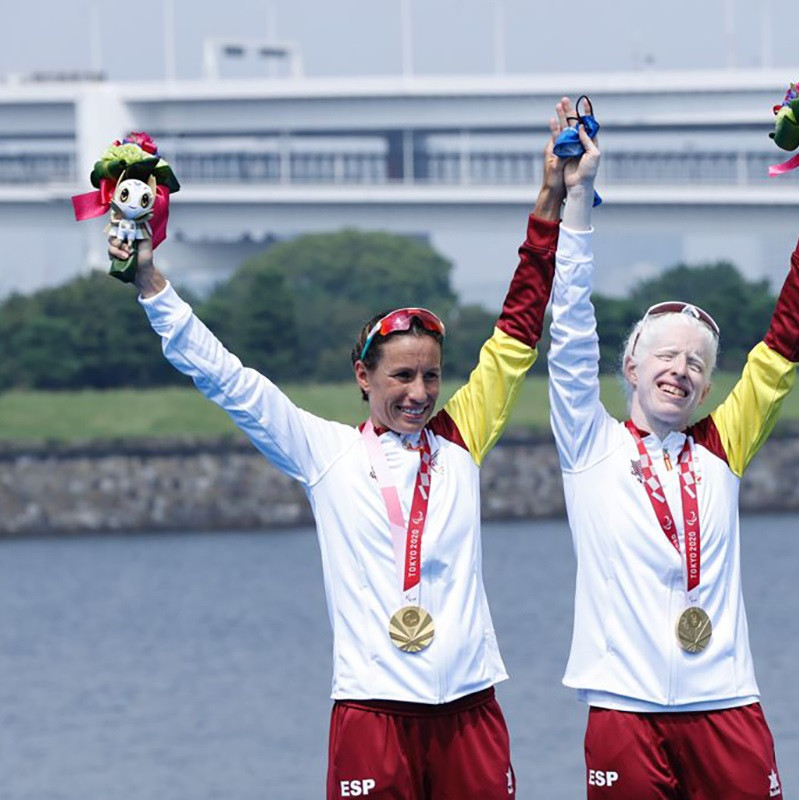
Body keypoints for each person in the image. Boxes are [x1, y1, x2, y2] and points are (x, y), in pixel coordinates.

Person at [108, 98, 582, 800]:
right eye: (401, 377)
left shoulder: (463, 435)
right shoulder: (323, 452)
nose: (420, 393)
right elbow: (226, 378)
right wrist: (151, 284)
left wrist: (551, 195)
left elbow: (517, 327)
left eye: (430, 376)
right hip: (371, 711)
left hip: (470, 709)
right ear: (364, 378)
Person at [547, 103, 799, 799]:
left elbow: (784, 343)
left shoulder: (724, 443)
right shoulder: (589, 442)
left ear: (707, 384)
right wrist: (577, 201)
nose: (679, 369)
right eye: (663, 354)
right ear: (629, 367)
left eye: (695, 362)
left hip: (724, 700)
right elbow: (569, 333)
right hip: (624, 708)